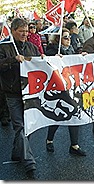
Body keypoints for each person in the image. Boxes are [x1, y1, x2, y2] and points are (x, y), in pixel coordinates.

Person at [0, 18, 39, 175]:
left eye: (26, 31)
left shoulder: (31, 47)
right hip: (13, 93)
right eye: (21, 31)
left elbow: (40, 62)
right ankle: (29, 161)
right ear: (13, 31)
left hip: (29, 93)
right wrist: (12, 60)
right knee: (20, 126)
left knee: (27, 126)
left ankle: (17, 153)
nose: (24, 34)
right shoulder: (4, 47)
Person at [45, 28, 86, 156]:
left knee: (74, 113)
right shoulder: (52, 50)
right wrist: (54, 58)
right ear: (58, 39)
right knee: (59, 115)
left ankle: (74, 145)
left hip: (71, 87)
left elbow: (75, 62)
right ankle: (49, 140)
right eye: (65, 37)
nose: (68, 40)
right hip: (59, 88)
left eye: (69, 37)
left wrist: (82, 57)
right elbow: (47, 63)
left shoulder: (71, 49)